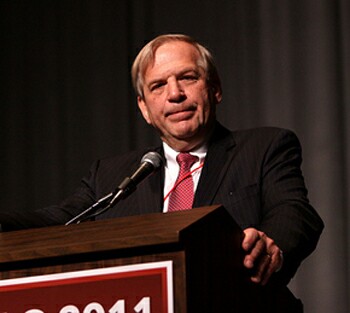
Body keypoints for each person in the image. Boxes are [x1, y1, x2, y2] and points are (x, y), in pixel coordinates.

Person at [0, 34, 323, 311]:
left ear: (215, 88)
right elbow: (63, 218)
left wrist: (273, 243)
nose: (175, 94)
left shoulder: (264, 147)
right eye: (158, 85)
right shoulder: (113, 175)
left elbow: (294, 210)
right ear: (144, 108)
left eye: (188, 78)